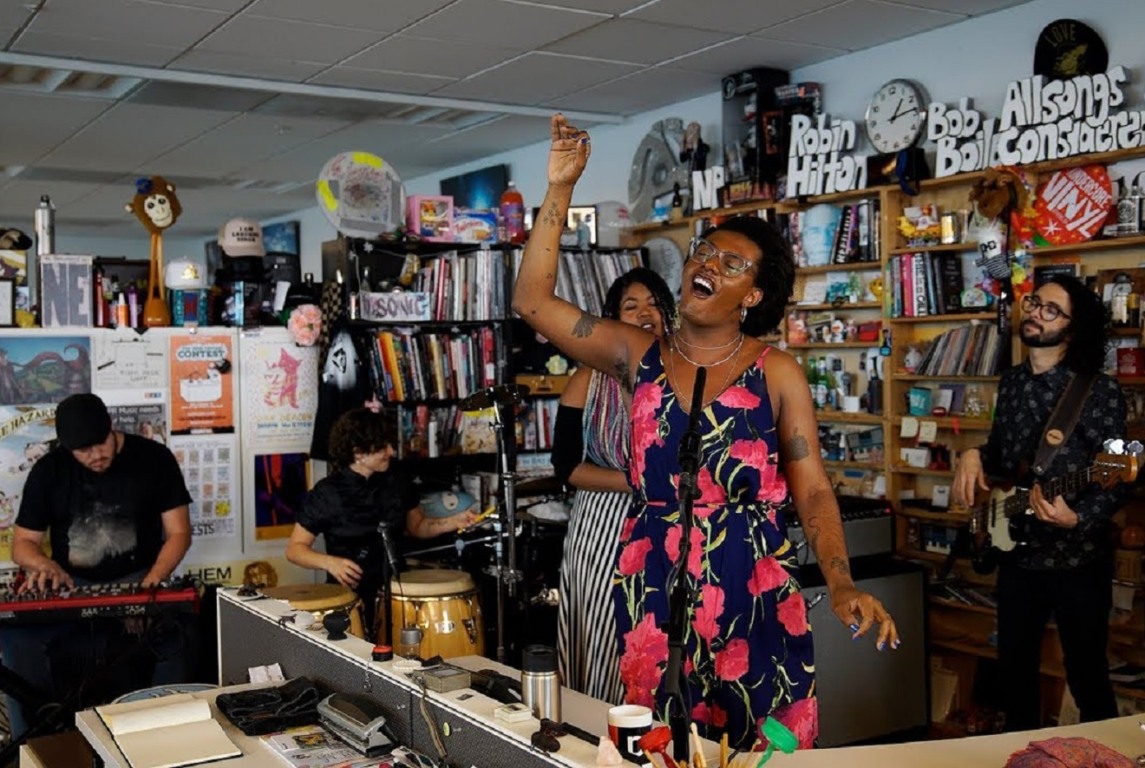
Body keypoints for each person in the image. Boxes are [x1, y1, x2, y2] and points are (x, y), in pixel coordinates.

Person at [513, 114, 898, 750]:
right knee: (660, 746)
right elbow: (532, 301)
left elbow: (813, 489)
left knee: (760, 752)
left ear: (753, 295)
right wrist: (560, 188)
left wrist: (841, 580)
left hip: (753, 589)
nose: (708, 263)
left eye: (732, 262)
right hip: (651, 583)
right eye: (704, 251)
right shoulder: (636, 354)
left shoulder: (778, 373)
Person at [953, 276, 1126, 731]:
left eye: (1051, 309)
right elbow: (1001, 456)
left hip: (1077, 559)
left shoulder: (1099, 391)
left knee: (1088, 678)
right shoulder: (1011, 382)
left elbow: (1119, 474)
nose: (1034, 312)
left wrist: (1079, 517)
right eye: (1034, 303)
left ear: (1074, 326)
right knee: (1013, 674)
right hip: (1016, 555)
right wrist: (972, 454)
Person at [1, 392, 194, 739]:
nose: (96, 455)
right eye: (83, 451)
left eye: (101, 444)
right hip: (71, 584)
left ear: (111, 428)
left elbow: (179, 532)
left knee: (176, 632)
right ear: (67, 447)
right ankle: (35, 744)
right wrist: (44, 565)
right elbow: (23, 545)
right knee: (17, 638)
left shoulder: (154, 458)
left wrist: (148, 588)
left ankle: (171, 734)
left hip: (139, 579)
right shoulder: (50, 470)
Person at [552, 267, 676, 704]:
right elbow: (565, 467)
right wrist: (636, 481)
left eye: (654, 303)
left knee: (662, 640)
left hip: (670, 527)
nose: (645, 312)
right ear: (612, 319)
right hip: (602, 528)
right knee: (607, 639)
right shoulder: (587, 380)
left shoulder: (686, 374)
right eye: (631, 306)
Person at [286, 407, 479, 638]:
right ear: (358, 452)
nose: (391, 451)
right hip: (350, 598)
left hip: (397, 590)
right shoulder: (328, 493)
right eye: (382, 447)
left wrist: (454, 521)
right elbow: (295, 550)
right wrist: (330, 563)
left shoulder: (398, 480)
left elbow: (417, 527)